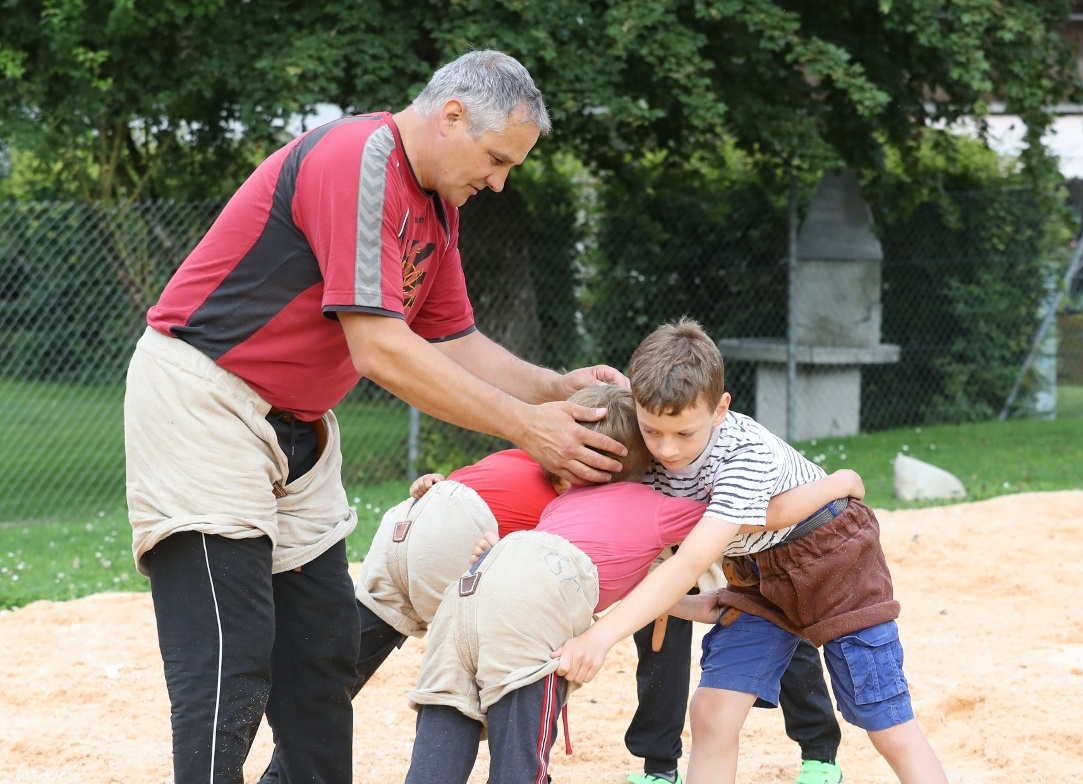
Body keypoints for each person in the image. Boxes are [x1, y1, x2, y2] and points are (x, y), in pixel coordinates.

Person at [123, 49, 630, 784]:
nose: (498, 181)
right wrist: (526, 427)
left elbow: (452, 339)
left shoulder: (436, 206)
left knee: (320, 649)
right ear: (451, 115)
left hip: (298, 425)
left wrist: (551, 390)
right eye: (495, 158)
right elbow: (380, 350)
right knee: (230, 655)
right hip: (205, 401)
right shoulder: (360, 158)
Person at [553, 318, 949, 784]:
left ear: (720, 408)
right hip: (754, 573)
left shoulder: (744, 452)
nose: (667, 449)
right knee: (712, 711)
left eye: (684, 434)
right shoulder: (646, 451)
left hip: (833, 559)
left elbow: (695, 559)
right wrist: (685, 605)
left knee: (884, 719)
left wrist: (601, 637)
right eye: (653, 430)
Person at [403, 384, 858, 784]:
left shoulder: (572, 498)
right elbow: (759, 515)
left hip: (472, 596)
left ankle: (816, 750)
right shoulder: (641, 498)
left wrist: (695, 608)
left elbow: (615, 570)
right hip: (543, 600)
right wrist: (840, 480)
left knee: (446, 723)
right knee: (521, 752)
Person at [260, 448, 568, 783]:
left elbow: (461, 486)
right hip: (452, 549)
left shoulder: (522, 455)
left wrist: (431, 489)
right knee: (514, 668)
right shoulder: (563, 485)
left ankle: (279, 777)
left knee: (330, 674)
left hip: (405, 529)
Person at [626, 629, 843, 784]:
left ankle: (820, 754)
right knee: (660, 620)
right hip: (667, 565)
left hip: (749, 567)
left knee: (779, 618)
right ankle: (660, 768)